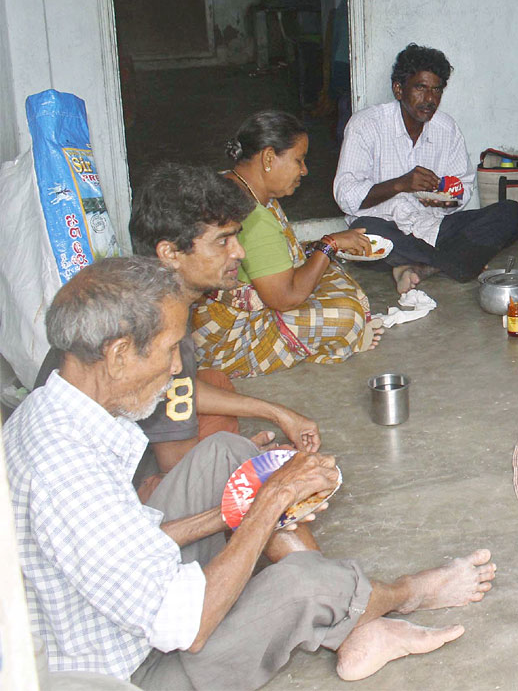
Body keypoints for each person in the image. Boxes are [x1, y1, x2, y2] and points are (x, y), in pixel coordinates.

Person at [6, 257, 497, 687]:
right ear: (117, 354)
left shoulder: (55, 408)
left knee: (226, 454)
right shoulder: (67, 474)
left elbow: (127, 543)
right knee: (304, 582)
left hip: (117, 611)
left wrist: (236, 511)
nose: (178, 366)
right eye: (169, 347)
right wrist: (269, 501)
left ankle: (352, 618)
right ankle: (403, 598)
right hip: (127, 670)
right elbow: (188, 624)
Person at [34, 163, 321, 496]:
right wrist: (251, 464)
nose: (238, 253)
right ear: (169, 253)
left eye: (236, 237)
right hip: (103, 491)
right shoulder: (160, 330)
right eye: (223, 242)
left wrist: (277, 413)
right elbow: (180, 471)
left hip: (84, 447)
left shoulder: (133, 290)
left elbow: (179, 385)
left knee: (214, 382)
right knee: (259, 485)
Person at [192, 111, 376, 377]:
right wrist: (329, 245)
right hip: (227, 340)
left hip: (204, 321)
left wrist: (323, 249)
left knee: (328, 270)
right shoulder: (253, 217)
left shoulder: (229, 183)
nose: (304, 170)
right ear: (268, 158)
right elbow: (285, 299)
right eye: (298, 160)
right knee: (348, 315)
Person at [333, 43, 518, 291]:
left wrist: (448, 201)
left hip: (432, 227)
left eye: (436, 90)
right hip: (383, 228)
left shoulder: (446, 129)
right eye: (420, 88)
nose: (430, 99)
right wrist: (400, 184)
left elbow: (462, 187)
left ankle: (419, 266)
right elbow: (346, 196)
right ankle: (456, 263)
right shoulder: (365, 125)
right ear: (398, 89)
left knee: (511, 213)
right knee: (368, 232)